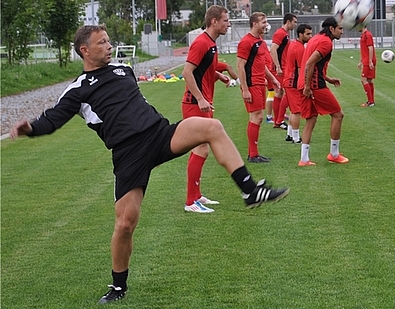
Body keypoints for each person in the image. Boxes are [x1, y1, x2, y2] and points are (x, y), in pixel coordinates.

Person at [9, 25, 289, 304]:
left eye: (108, 40)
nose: (109, 46)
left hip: (159, 134)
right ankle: (118, 286)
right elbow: (52, 119)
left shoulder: (123, 70)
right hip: (128, 153)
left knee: (212, 127)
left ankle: (249, 190)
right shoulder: (78, 89)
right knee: (125, 224)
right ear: (85, 50)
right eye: (102, 43)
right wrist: (30, 128)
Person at [181, 5, 238, 213]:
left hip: (203, 103)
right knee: (202, 149)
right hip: (195, 103)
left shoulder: (211, 44)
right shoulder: (201, 42)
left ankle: (196, 196)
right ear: (214, 21)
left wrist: (219, 75)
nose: (228, 24)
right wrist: (200, 98)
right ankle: (190, 202)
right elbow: (187, 72)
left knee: (202, 149)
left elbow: (205, 69)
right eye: (225, 20)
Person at [297, 17, 348, 166]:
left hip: (305, 83)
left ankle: (304, 159)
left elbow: (315, 65)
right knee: (338, 115)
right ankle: (334, 154)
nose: (342, 32)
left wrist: (327, 78)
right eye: (340, 29)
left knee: (311, 119)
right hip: (313, 85)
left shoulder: (316, 38)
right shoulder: (326, 42)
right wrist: (308, 87)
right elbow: (310, 63)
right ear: (331, 29)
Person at [237, 12, 281, 163]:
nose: (266, 24)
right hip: (251, 84)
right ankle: (253, 154)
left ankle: (253, 153)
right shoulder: (246, 42)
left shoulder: (260, 41)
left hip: (260, 82)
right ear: (254, 23)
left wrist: (272, 79)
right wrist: (245, 89)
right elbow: (240, 66)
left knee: (257, 117)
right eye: (263, 21)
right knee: (258, 117)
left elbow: (262, 65)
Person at [282, 23, 313, 144]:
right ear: (300, 34)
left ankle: (290, 134)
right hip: (293, 82)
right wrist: (306, 85)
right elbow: (301, 69)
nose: (310, 36)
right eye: (308, 34)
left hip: (288, 80)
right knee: (296, 111)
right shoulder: (299, 48)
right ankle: (296, 137)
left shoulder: (293, 44)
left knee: (293, 110)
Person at [271, 14, 297, 131]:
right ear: (288, 21)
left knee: (279, 93)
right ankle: (279, 120)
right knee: (289, 92)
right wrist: (278, 67)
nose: (295, 24)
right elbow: (273, 49)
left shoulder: (285, 34)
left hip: (283, 68)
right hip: (280, 69)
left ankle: (278, 120)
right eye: (294, 22)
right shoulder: (280, 33)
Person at [358, 25, 377, 107]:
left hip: (368, 61)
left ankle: (370, 101)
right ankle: (372, 101)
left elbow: (370, 48)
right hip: (366, 60)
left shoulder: (367, 35)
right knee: (369, 81)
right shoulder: (363, 35)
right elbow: (363, 50)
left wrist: (369, 61)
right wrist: (360, 61)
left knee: (363, 80)